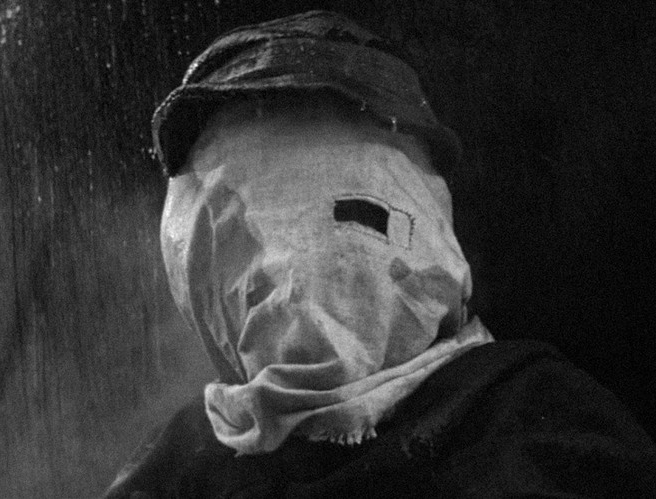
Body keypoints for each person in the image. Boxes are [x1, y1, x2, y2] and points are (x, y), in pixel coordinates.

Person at [105, 11, 656, 497]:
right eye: (249, 230)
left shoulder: (535, 423)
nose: (291, 263)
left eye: (349, 212)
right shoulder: (183, 463)